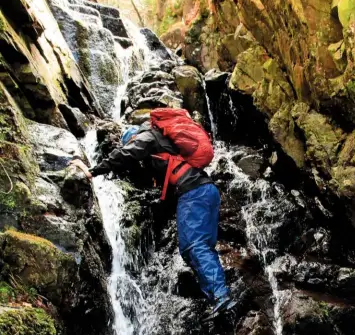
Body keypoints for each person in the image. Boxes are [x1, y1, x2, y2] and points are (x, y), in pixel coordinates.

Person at [72, 121, 235, 320]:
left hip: (194, 194)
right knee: (195, 248)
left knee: (194, 246)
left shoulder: (147, 135)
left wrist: (92, 171)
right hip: (207, 191)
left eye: (130, 143)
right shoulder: (166, 149)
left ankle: (220, 295)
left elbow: (127, 154)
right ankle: (217, 298)